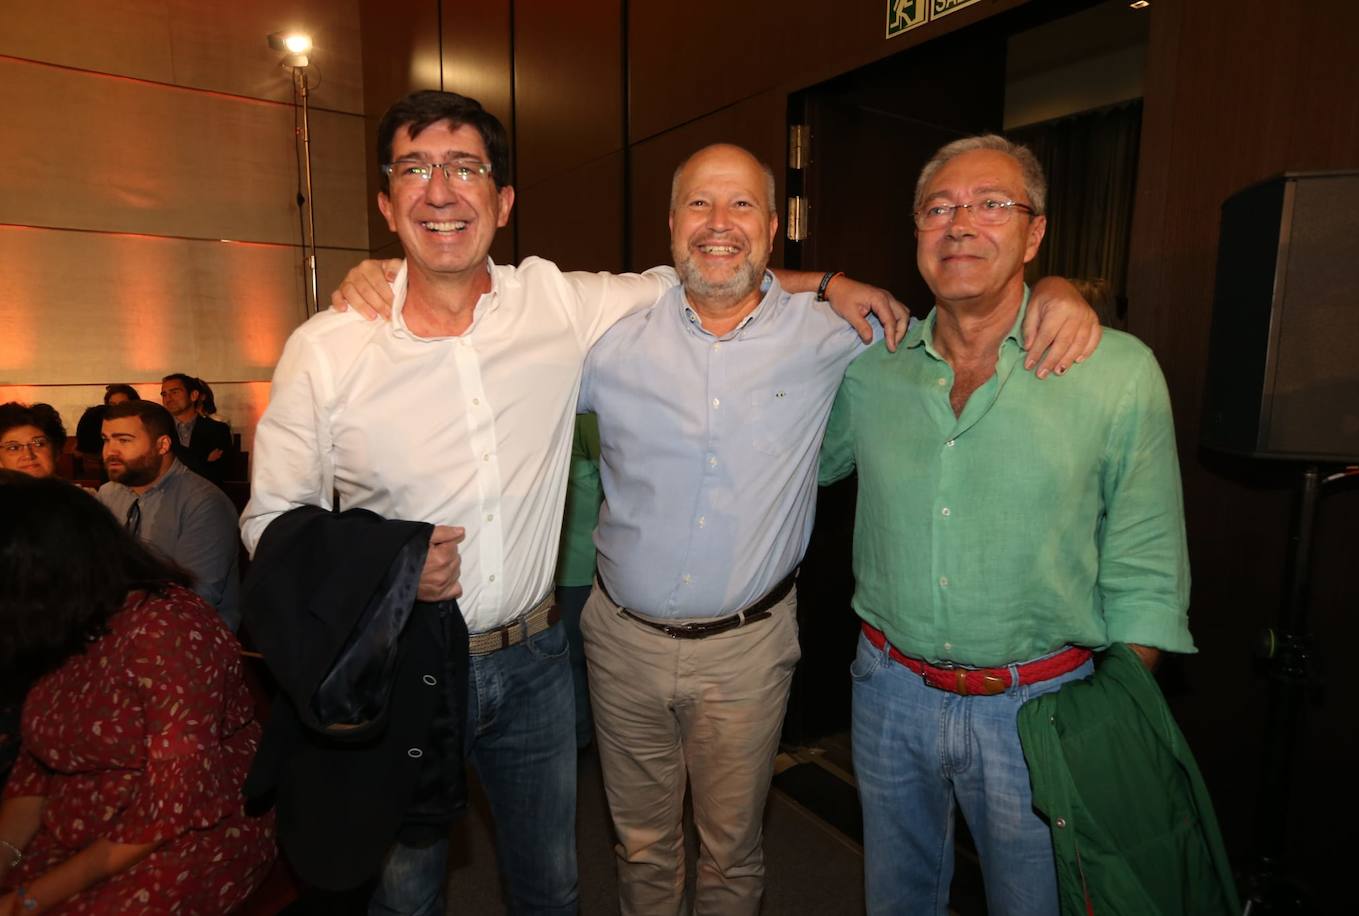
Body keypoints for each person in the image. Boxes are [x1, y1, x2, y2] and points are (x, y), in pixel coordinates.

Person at [247, 89, 909, 916]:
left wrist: (833, 281)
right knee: (407, 889)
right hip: (409, 659)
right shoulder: (328, 348)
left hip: (536, 663)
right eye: (416, 169)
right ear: (386, 203)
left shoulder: (560, 304)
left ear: (504, 200)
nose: (442, 191)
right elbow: (270, 526)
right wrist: (384, 574)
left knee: (553, 883)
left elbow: (716, 269)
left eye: (465, 169)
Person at [575, 143, 1098, 914]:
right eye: (699, 205)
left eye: (743, 205)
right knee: (642, 847)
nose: (719, 223)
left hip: (748, 651)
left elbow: (964, 324)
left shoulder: (838, 335)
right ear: (669, 222)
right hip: (621, 642)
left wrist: (1059, 288)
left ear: (777, 226)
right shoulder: (605, 335)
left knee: (731, 853)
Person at [819, 134, 1195, 915]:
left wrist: (1109, 721)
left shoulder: (1118, 371)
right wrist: (820, 284)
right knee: (896, 899)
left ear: (1035, 232)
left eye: (992, 205)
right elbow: (797, 468)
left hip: (1044, 709)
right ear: (917, 233)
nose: (961, 224)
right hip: (888, 693)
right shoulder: (869, 369)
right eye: (939, 208)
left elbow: (1149, 567)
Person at [0, 471, 274, 914]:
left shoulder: (164, 627)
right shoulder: (61, 626)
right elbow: (37, 771)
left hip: (185, 833)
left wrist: (25, 901)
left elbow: (173, 803)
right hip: (76, 822)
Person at [98, 400, 242, 631]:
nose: (110, 451)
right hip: (120, 628)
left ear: (163, 445)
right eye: (106, 440)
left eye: (124, 440)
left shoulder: (204, 502)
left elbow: (194, 598)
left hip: (189, 637)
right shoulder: (108, 494)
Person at [553, 412, 602, 751]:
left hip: (583, 568)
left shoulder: (585, 416)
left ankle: (580, 737)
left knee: (576, 659)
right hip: (564, 570)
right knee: (572, 660)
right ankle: (579, 737)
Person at [160, 373, 236, 485]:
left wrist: (176, 456)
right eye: (164, 394)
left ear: (194, 396)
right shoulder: (158, 430)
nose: (168, 399)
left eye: (174, 392)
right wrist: (203, 460)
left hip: (206, 495)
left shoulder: (218, 429)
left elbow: (219, 472)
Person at [0, 403, 66, 479]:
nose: (28, 455)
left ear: (57, 451)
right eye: (14, 448)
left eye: (38, 444)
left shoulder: (73, 491)